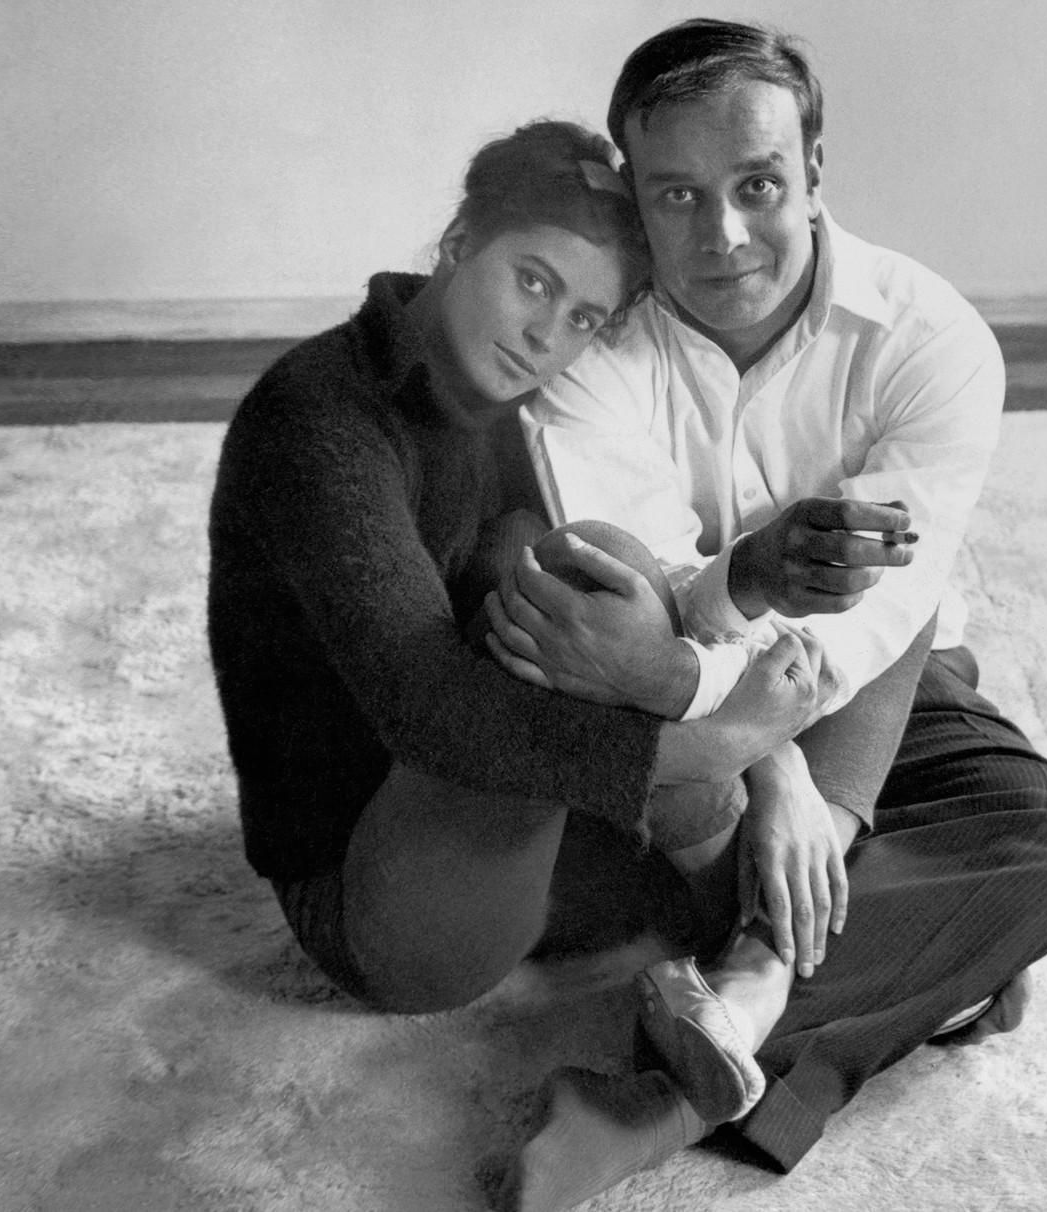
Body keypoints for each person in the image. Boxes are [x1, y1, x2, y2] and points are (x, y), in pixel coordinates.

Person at [484, 19, 1047, 1211]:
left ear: (815, 170)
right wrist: (770, 773)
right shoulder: (591, 344)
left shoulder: (931, 341)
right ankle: (928, 959)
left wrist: (813, 790)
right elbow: (639, 603)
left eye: (758, 185)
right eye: (677, 195)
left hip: (877, 677)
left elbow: (888, 621)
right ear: (634, 194)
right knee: (599, 664)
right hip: (662, 703)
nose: (721, 235)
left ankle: (685, 1068)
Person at [206, 120, 829, 1023]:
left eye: (584, 318)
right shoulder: (318, 423)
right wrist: (719, 743)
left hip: (509, 828)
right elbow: (431, 709)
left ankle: (784, 930)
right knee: (571, 576)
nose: (545, 336)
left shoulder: (504, 396)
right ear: (458, 246)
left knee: (598, 562)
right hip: (374, 900)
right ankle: (755, 916)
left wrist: (772, 766)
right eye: (532, 281)